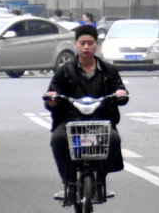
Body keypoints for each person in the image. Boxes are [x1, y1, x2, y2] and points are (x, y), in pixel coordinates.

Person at [44, 25, 128, 201]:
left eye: (90, 43)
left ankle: (99, 180)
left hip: (101, 122)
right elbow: (53, 94)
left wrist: (120, 94)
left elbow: (120, 91)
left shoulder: (109, 71)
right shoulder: (64, 71)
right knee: (57, 140)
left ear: (96, 44)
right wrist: (52, 99)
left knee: (114, 140)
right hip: (70, 122)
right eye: (82, 43)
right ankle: (68, 184)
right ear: (76, 44)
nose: (86, 47)